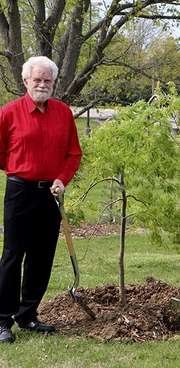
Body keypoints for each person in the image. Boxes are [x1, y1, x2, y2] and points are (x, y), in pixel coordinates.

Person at [0, 56, 82, 343]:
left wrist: (61, 178)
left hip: (51, 194)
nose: (43, 85)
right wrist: (19, 172)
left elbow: (73, 154)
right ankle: (2, 320)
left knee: (42, 256)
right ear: (26, 81)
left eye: (48, 80)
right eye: (37, 80)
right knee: (13, 255)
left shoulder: (63, 113)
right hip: (20, 191)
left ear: (53, 83)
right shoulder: (9, 113)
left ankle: (28, 315)